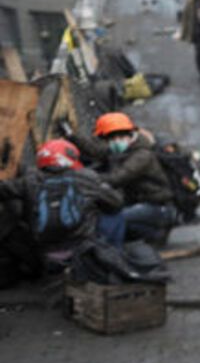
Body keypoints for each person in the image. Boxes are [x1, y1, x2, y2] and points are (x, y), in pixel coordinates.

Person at [0, 139, 124, 269]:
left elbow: (3, 190)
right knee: (115, 214)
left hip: (45, 254)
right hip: (83, 250)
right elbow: (116, 203)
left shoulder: (29, 181)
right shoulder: (86, 178)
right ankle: (112, 257)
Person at [69, 113, 177, 244]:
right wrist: (72, 136)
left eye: (119, 137)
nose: (115, 142)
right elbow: (96, 151)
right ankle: (151, 234)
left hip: (156, 206)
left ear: (130, 135)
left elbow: (118, 177)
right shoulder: (124, 149)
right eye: (112, 139)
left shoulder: (142, 156)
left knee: (114, 219)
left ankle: (115, 254)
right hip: (140, 203)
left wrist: (87, 179)